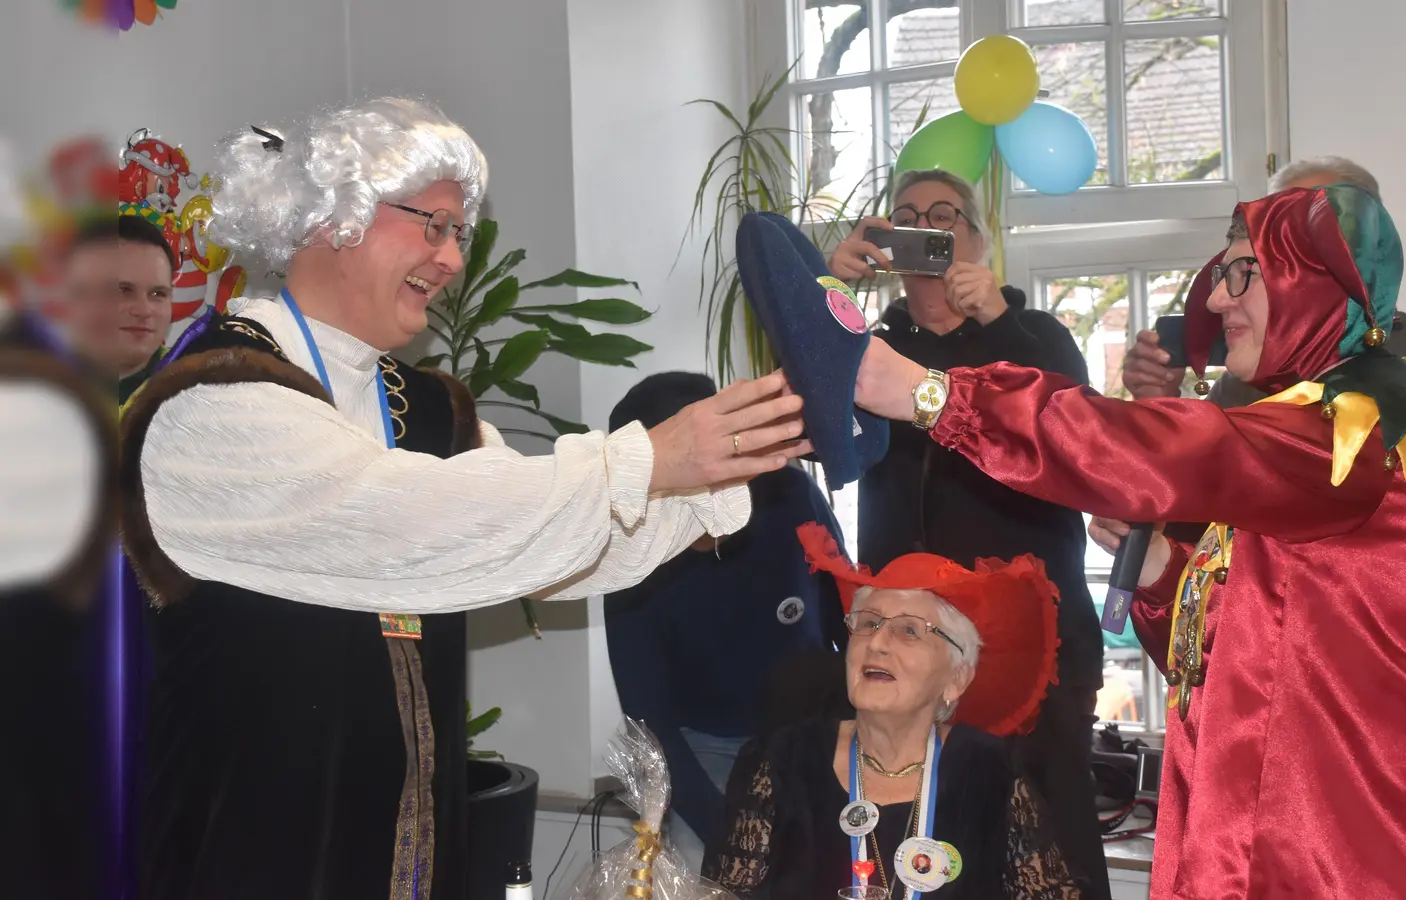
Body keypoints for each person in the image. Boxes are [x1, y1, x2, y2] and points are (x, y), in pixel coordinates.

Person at [119, 97, 810, 900]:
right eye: (433, 224)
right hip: (250, 849)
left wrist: (702, 482)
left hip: (415, 853)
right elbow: (395, 514)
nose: (451, 260)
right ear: (336, 216)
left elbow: (530, 544)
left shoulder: (430, 406)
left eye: (459, 234)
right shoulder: (212, 399)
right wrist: (648, 459)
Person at [852, 183, 1406, 899]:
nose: (1214, 301)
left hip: (1357, 844)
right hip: (1296, 827)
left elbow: (1169, 448)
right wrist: (1157, 571)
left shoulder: (1369, 423)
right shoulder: (1318, 423)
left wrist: (933, 396)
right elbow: (1260, 641)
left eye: (1242, 272)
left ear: (1311, 284)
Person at [829, 168, 1107, 898]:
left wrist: (998, 323)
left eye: (946, 215)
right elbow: (802, 415)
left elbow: (1085, 439)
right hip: (909, 636)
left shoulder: (1032, 334)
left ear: (980, 240)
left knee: (1056, 828)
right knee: (932, 829)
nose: (927, 227)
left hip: (1033, 638)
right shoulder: (872, 342)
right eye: (908, 216)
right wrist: (830, 287)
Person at [702, 524, 1084, 899]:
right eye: (867, 624)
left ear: (957, 677)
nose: (877, 644)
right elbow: (723, 894)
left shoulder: (995, 774)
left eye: (910, 631)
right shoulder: (781, 761)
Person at [602, 371, 849, 870]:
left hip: (812, 738)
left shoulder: (790, 498)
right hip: (702, 753)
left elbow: (848, 620)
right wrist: (734, 835)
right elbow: (654, 729)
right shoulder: (629, 560)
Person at [1122, 155, 1406, 415]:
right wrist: (1158, 404)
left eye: (1306, 221)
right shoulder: (1243, 381)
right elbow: (1199, 501)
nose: (1217, 301)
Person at [56, 213, 175, 402]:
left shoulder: (199, 389)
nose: (144, 311)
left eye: (158, 294)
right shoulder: (29, 393)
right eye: (123, 290)